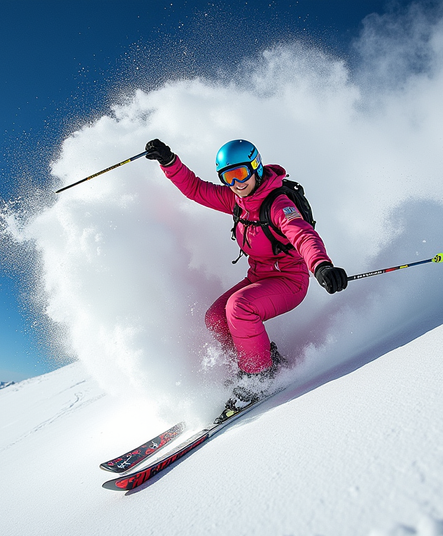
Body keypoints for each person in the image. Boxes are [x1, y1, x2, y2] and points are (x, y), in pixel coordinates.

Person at [145, 138, 348, 421]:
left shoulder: (278, 204)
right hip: (259, 277)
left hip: (290, 280)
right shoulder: (237, 200)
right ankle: (257, 362)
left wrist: (322, 265)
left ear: (256, 166)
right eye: (228, 177)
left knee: (239, 307)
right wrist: (169, 162)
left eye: (240, 173)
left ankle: (258, 377)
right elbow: (195, 189)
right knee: (216, 317)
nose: (236, 183)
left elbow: (302, 235)